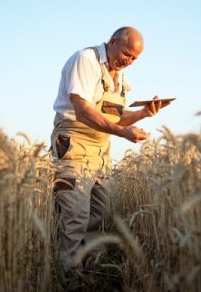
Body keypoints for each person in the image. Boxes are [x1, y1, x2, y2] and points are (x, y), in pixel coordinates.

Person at [50, 26, 166, 272]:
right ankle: (70, 283)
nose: (130, 62)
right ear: (113, 41)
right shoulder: (86, 60)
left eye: (135, 59)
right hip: (74, 144)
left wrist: (144, 113)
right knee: (74, 217)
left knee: (99, 216)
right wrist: (124, 134)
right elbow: (82, 110)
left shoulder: (119, 76)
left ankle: (92, 275)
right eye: (127, 54)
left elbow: (116, 120)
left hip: (101, 149)